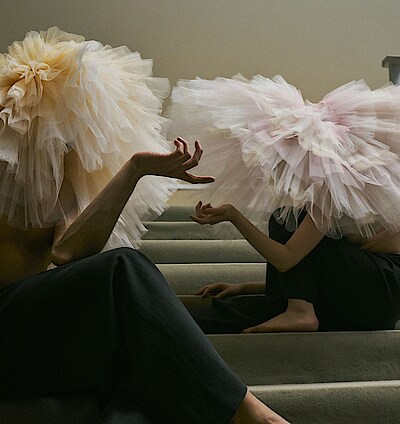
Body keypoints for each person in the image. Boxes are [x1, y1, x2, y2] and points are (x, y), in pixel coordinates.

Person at [0, 29, 290, 424]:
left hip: (33, 326)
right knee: (124, 270)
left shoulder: (60, 178)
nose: (68, 139)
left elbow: (66, 254)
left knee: (136, 388)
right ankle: (253, 415)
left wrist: (136, 168)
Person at [167, 73, 400, 334]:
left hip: (378, 292)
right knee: (242, 311)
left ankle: (300, 312)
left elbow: (287, 260)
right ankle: (293, 308)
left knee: (284, 219)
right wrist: (244, 288)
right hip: (373, 296)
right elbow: (315, 269)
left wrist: (234, 215)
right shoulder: (332, 190)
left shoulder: (330, 193)